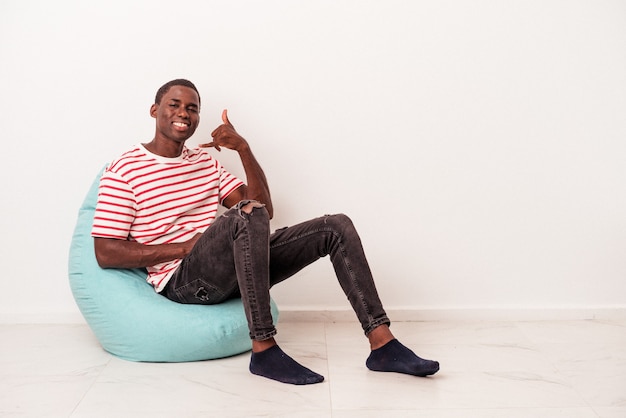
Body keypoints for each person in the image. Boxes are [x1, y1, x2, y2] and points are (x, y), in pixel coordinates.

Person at [92, 79, 439, 385]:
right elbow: (105, 253)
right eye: (174, 104)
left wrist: (243, 148)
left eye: (193, 108)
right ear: (154, 110)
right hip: (185, 281)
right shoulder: (124, 169)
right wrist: (184, 248)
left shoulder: (204, 161)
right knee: (244, 215)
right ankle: (264, 348)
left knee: (336, 226)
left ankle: (382, 344)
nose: (184, 113)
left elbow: (263, 211)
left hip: (231, 265)